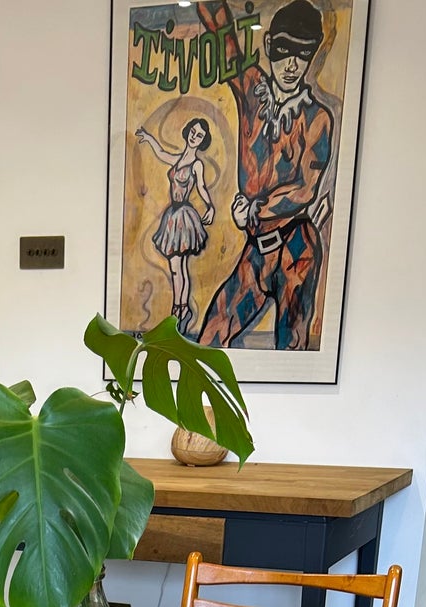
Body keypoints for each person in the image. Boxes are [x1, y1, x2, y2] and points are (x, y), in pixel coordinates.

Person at [195, 0, 334, 352]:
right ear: (270, 46)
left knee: (291, 349)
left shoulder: (317, 118)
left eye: (303, 53)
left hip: (296, 248)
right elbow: (224, 37)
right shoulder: (253, 88)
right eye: (285, 50)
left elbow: (304, 189)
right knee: (211, 339)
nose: (292, 64)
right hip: (257, 249)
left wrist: (255, 210)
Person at [136, 116, 216, 335]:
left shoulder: (196, 164)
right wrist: (149, 138)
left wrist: (210, 206)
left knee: (180, 266)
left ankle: (180, 310)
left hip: (183, 217)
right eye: (193, 131)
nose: (194, 136)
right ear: (188, 131)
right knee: (176, 267)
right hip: (172, 216)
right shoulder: (178, 159)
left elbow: (201, 187)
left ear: (203, 140)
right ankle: (179, 310)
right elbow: (161, 153)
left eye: (199, 135)